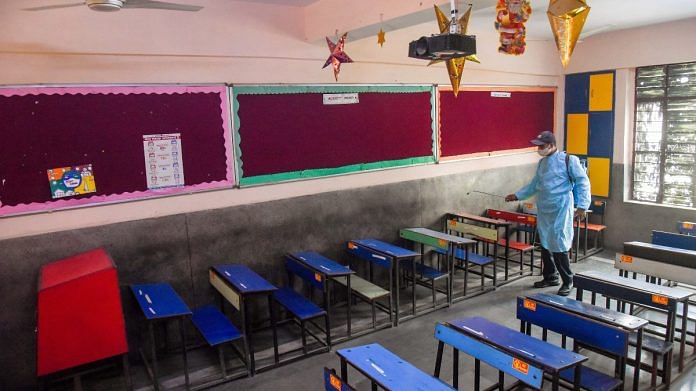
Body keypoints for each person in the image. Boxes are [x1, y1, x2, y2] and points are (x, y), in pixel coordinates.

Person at [505, 131, 591, 296]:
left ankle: (568, 280)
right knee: (544, 243)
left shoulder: (568, 160)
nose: (539, 148)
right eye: (538, 146)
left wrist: (582, 206)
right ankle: (550, 276)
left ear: (552, 145)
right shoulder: (542, 163)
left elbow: (583, 181)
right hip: (544, 208)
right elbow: (534, 185)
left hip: (561, 208)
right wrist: (517, 195)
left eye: (542, 146)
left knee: (559, 244)